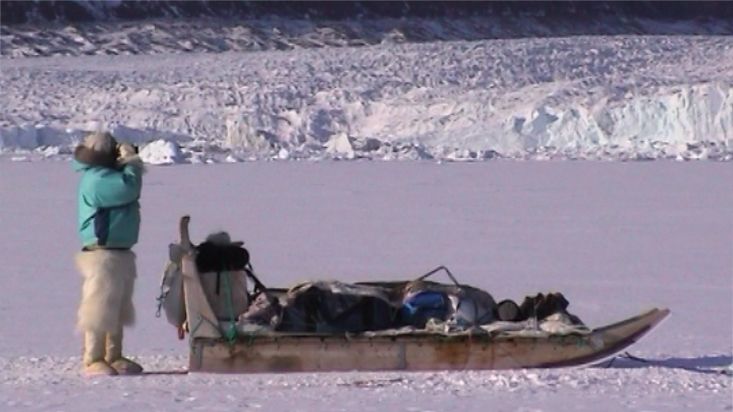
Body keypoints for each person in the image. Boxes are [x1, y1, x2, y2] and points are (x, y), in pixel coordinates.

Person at [72, 131, 145, 376]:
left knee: (117, 306)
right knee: (99, 307)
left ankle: (114, 355)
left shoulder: (106, 175)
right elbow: (129, 188)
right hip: (102, 254)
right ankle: (93, 358)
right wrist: (132, 162)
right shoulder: (96, 179)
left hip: (120, 252)